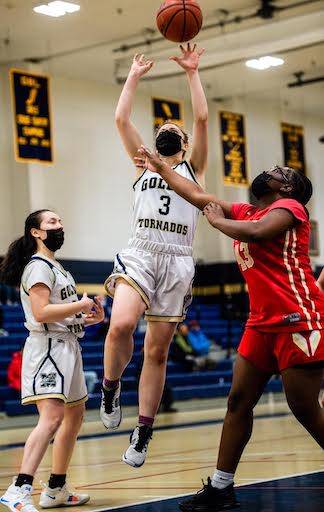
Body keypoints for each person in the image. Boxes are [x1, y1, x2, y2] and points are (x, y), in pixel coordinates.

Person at [135, 150, 324, 511]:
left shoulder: (292, 209)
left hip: (297, 318)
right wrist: (162, 169)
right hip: (260, 323)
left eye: (277, 170)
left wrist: (218, 224)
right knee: (238, 401)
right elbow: (197, 195)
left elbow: (256, 232)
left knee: (302, 405)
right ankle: (221, 487)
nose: (269, 169)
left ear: (287, 187)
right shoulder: (248, 210)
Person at [100, 43, 208, 468]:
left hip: (178, 259)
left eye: (173, 128)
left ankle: (143, 431)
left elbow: (200, 118)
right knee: (122, 324)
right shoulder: (143, 162)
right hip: (142, 252)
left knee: (158, 352)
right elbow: (121, 119)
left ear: (182, 143)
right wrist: (133, 76)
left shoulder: (193, 167)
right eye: (161, 125)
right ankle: (110, 388)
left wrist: (192, 73)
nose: (167, 129)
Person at [0, 209, 104, 512]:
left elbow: (62, 315)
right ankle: (18, 489)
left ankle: (56, 488)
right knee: (52, 419)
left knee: (75, 417)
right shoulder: (38, 267)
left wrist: (88, 318)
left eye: (60, 220)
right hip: (47, 350)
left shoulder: (58, 268)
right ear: (36, 232)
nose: (60, 226)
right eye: (52, 222)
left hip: (67, 346)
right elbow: (42, 312)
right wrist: (81, 303)